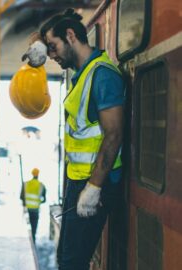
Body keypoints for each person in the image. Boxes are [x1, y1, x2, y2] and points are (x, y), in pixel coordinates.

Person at [23, 8, 125, 270]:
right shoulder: (82, 75)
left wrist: (94, 187)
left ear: (70, 36)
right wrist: (37, 42)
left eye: (53, 47)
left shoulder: (102, 75)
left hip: (95, 185)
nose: (52, 56)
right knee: (65, 259)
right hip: (77, 180)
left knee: (72, 263)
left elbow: (113, 135)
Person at [21, 168, 46, 243]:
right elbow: (44, 200)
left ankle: (28, 241)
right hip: (35, 210)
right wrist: (38, 202)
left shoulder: (25, 184)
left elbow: (21, 197)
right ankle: (33, 241)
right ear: (38, 175)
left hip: (27, 210)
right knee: (34, 228)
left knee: (26, 228)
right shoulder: (41, 185)